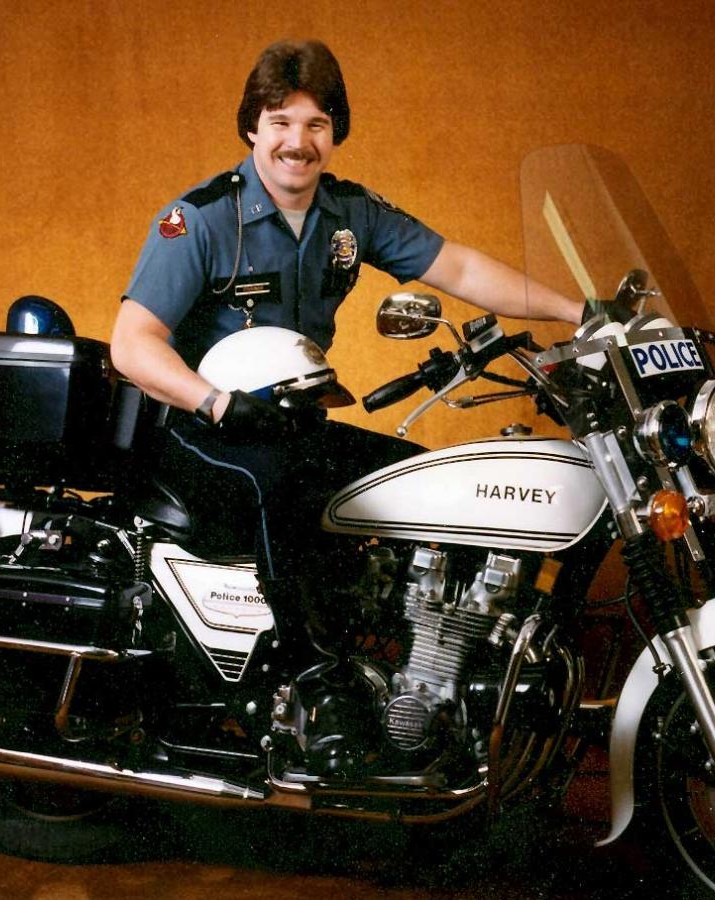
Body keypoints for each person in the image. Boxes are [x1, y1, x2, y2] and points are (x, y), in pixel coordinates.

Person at [111, 39, 580, 654]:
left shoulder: (350, 213)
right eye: (280, 122)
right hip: (197, 428)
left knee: (426, 483)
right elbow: (132, 344)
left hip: (291, 423)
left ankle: (430, 664)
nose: (297, 142)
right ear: (252, 127)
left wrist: (577, 311)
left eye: (316, 124)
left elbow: (461, 269)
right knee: (278, 484)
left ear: (335, 133)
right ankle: (309, 671)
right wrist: (218, 404)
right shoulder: (201, 218)